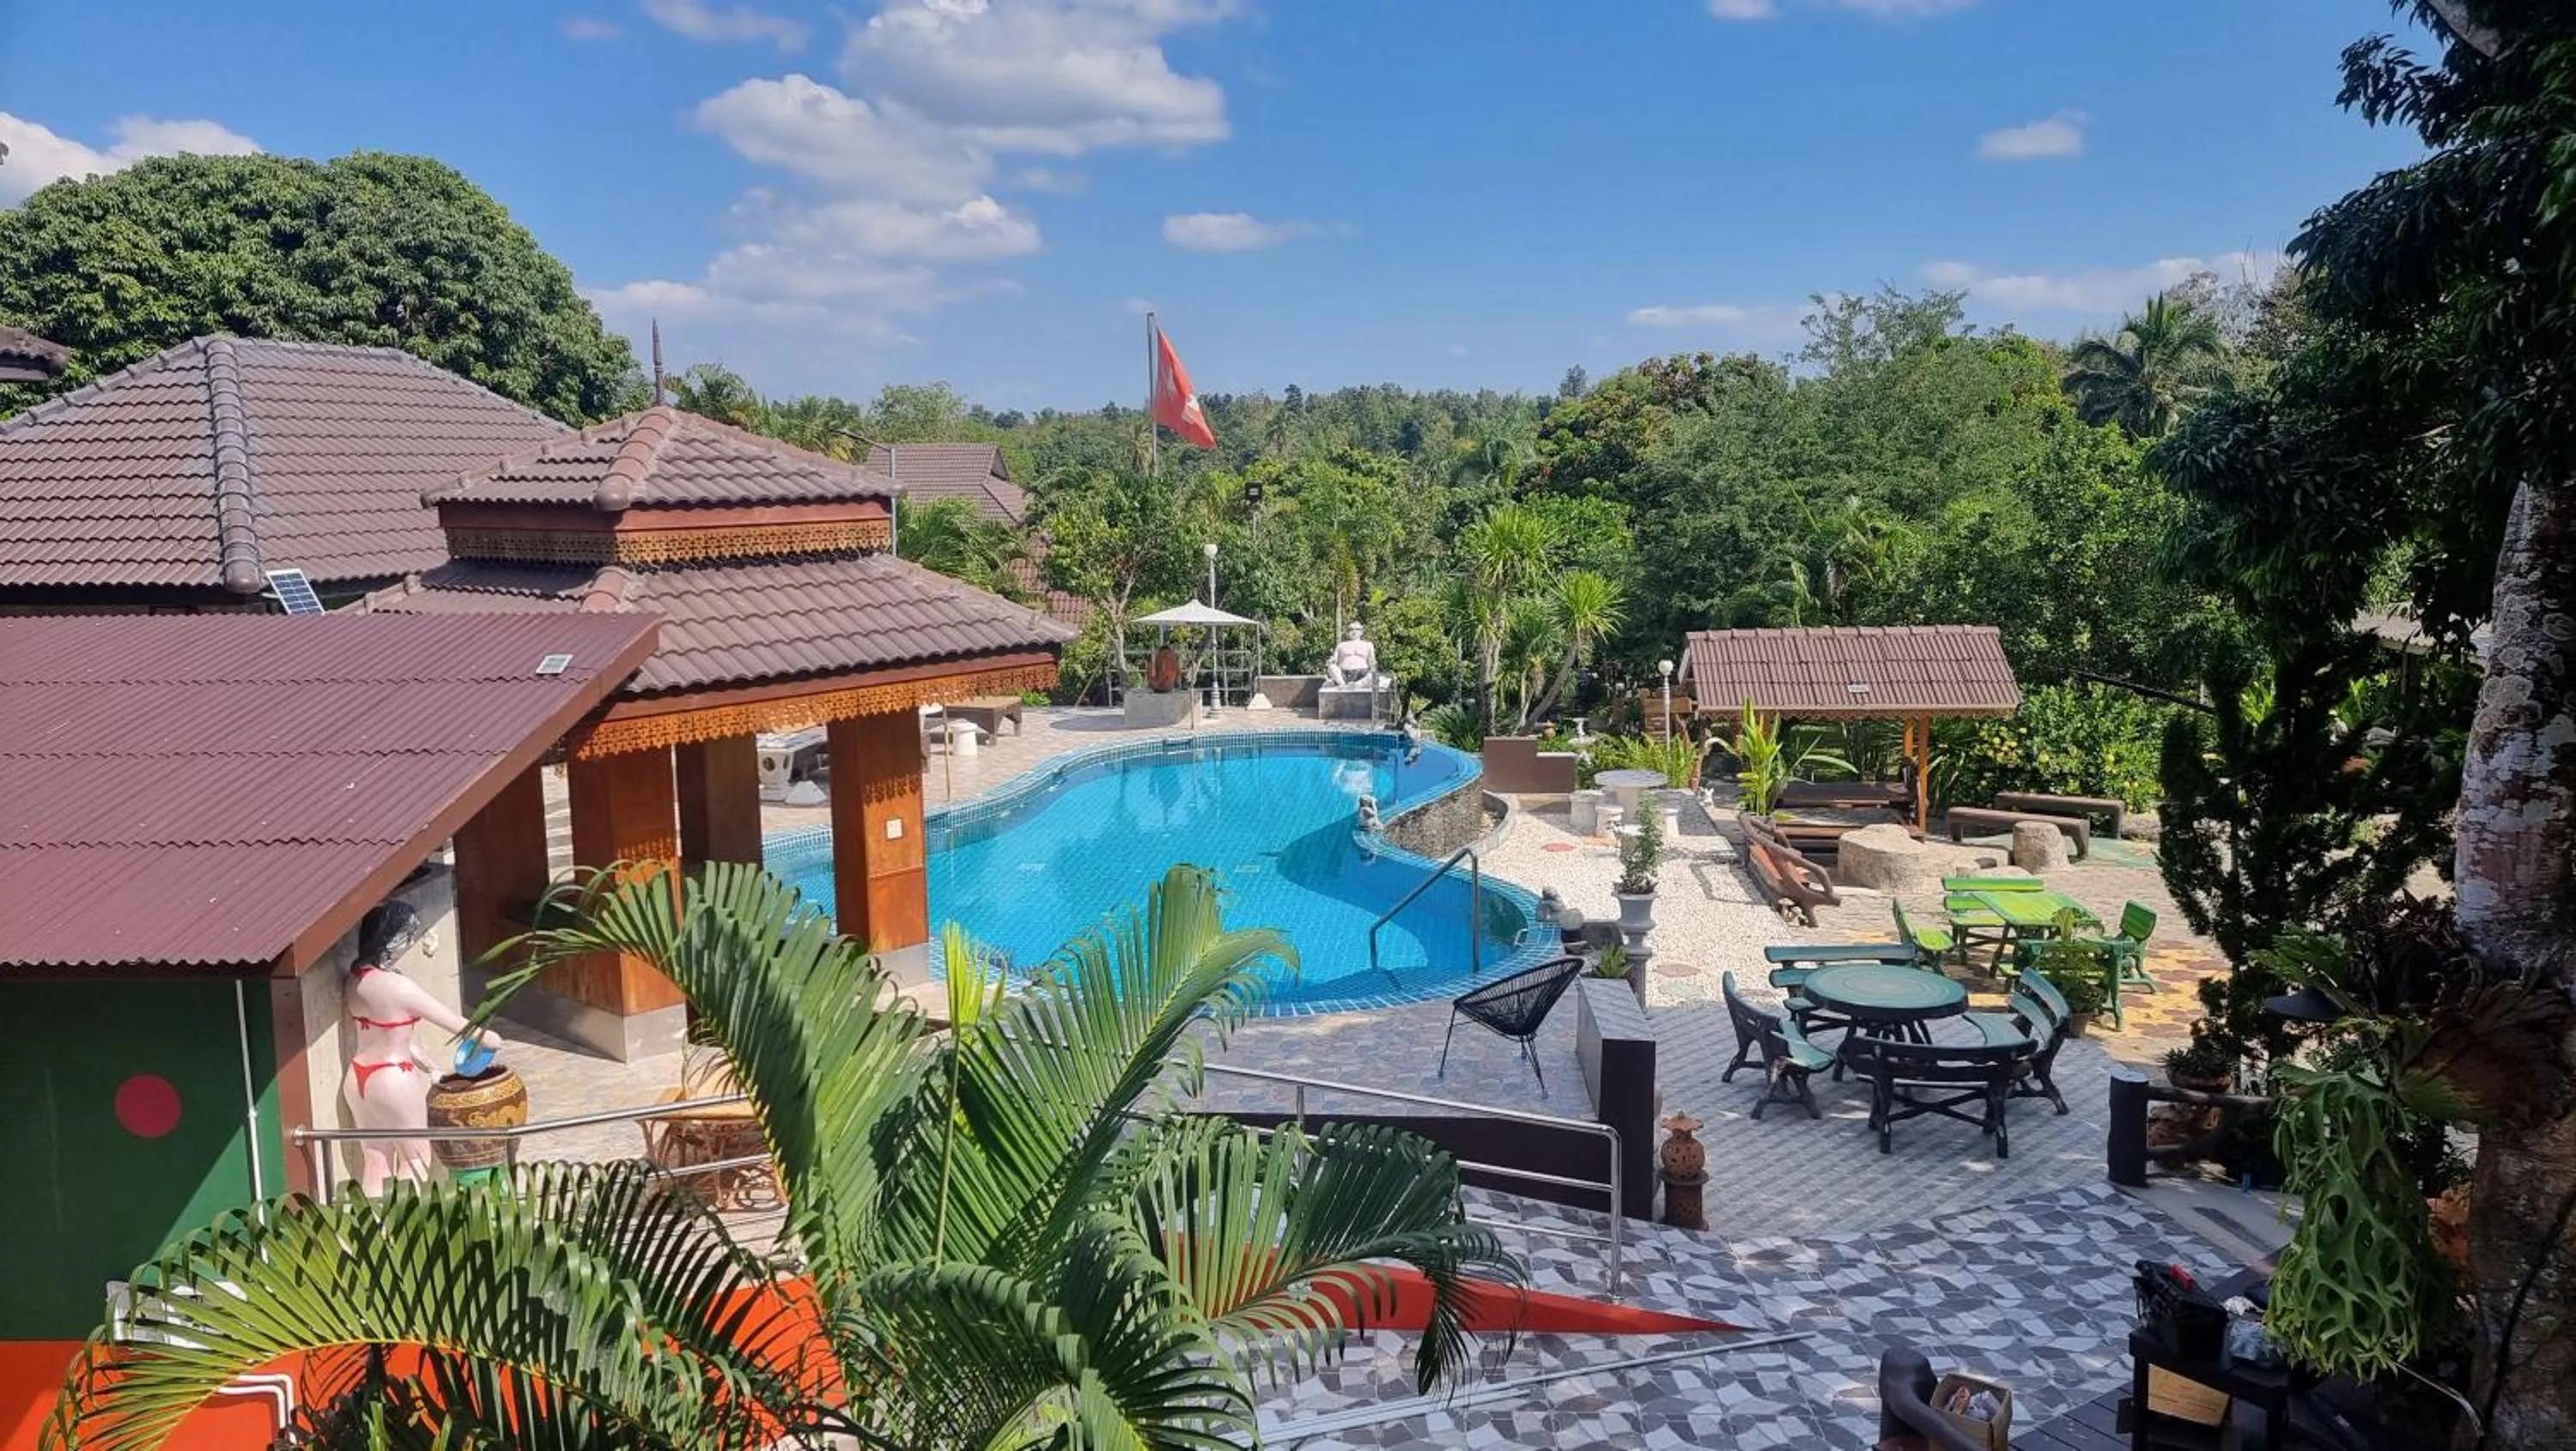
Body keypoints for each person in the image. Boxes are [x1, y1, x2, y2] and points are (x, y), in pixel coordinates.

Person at [341, 901, 501, 1195]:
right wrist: (488, 1038)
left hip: (359, 1075)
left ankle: (370, 1232)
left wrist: (421, 1058)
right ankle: (406, 1229)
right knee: (415, 1156)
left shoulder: (355, 980)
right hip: (394, 1077)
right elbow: (452, 1022)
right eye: (407, 935)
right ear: (392, 938)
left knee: (375, 1162)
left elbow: (384, 1029)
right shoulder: (399, 987)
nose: (410, 942)